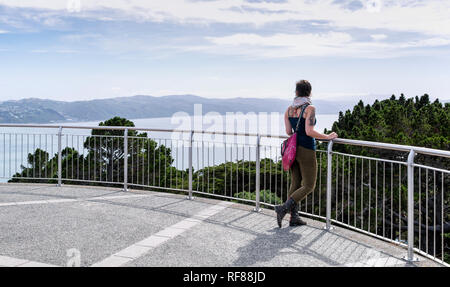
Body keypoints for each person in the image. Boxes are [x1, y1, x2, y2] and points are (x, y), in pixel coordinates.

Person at [275, 80, 338, 228]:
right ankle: (283, 208)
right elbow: (309, 132)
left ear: (296, 92)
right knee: (309, 185)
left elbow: (288, 132)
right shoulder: (310, 108)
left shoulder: (289, 109)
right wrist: (328, 137)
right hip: (306, 150)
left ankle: (293, 218)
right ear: (309, 92)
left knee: (296, 183)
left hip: (293, 151)